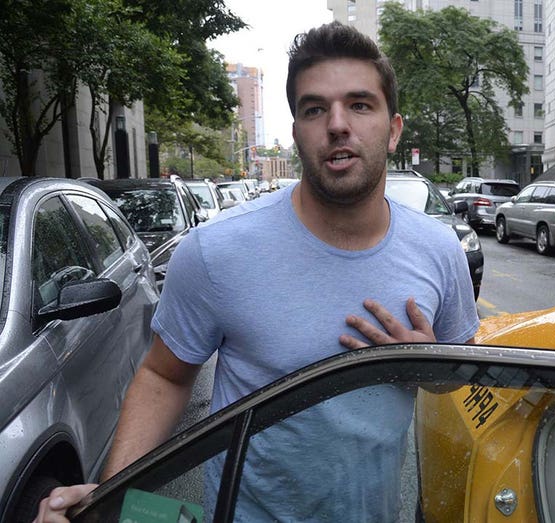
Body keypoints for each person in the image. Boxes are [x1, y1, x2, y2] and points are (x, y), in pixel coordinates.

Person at [35, 21, 479, 522]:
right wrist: (109, 496)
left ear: (393, 129)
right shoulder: (216, 250)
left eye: (359, 104)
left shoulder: (439, 250)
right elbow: (164, 376)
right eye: (315, 109)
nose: (337, 124)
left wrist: (424, 366)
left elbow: (457, 373)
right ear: (295, 133)